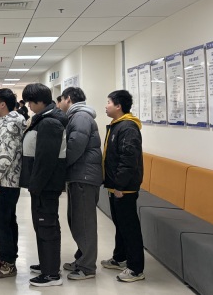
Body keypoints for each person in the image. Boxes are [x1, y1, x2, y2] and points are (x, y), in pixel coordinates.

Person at [21, 83, 68, 288]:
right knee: (42, 225)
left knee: (47, 225)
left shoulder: (49, 123)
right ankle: (47, 264)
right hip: (42, 184)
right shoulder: (44, 119)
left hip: (46, 185)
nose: (29, 105)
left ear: (40, 101)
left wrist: (36, 184)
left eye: (30, 102)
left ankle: (51, 274)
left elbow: (46, 159)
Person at [59, 87, 102, 280]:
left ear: (68, 99)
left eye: (61, 100)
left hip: (84, 176)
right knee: (77, 220)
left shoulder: (81, 117)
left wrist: (60, 166)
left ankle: (87, 267)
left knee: (84, 222)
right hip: (79, 175)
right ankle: (82, 259)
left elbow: (75, 146)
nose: (59, 104)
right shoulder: (77, 116)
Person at [101, 90, 145, 283]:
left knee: (129, 227)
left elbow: (128, 159)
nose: (106, 106)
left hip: (124, 188)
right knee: (120, 225)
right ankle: (120, 258)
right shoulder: (117, 125)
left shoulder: (128, 128)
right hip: (116, 186)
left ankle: (136, 269)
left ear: (118, 106)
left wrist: (119, 185)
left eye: (109, 102)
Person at [0, 89, 25, 279]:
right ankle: (6, 258)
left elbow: (5, 155)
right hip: (7, 180)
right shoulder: (4, 121)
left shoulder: (9, 125)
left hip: (5, 181)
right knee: (7, 221)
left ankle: (8, 262)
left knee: (2, 222)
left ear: (3, 104)